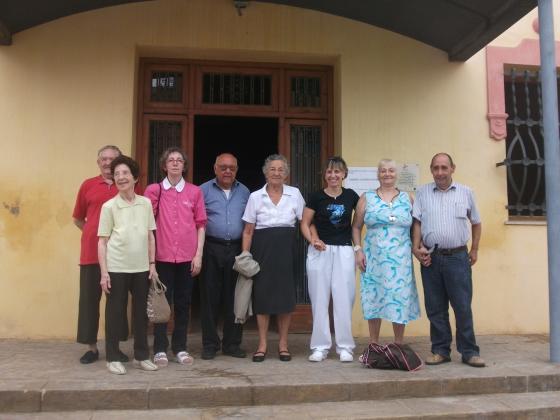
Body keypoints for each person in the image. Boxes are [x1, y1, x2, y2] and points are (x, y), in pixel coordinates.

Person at [412, 153, 484, 368]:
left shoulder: (466, 192)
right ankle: (440, 350)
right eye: (436, 168)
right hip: (431, 258)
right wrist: (416, 248)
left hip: (458, 258)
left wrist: (475, 249)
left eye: (444, 167)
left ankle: (469, 352)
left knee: (462, 306)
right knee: (435, 308)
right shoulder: (422, 193)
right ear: (431, 170)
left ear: (453, 168)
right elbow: (417, 223)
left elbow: (476, 223)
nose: (440, 172)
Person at [144, 147, 207, 367]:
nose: (175, 163)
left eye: (179, 160)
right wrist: (150, 261)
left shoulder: (194, 192)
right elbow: (147, 226)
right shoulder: (154, 190)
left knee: (183, 303)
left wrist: (198, 255)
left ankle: (180, 347)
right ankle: (160, 348)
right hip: (162, 257)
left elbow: (201, 225)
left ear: (184, 166)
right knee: (162, 305)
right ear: (164, 165)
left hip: (187, 258)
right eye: (171, 160)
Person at [241, 154, 305, 362]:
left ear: (286, 174)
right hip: (262, 249)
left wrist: (314, 240)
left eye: (281, 170)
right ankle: (262, 344)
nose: (277, 173)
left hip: (287, 248)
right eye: (273, 169)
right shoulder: (255, 196)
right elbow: (248, 230)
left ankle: (283, 344)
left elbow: (305, 222)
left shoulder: (295, 194)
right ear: (265, 173)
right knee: (263, 297)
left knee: (285, 297)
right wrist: (245, 256)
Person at [98, 155, 158, 375]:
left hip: (141, 268)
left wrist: (152, 264)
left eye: (125, 173)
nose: (121, 177)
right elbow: (102, 242)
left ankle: (141, 356)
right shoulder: (109, 206)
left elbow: (150, 236)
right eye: (116, 174)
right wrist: (104, 273)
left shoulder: (145, 203)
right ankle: (112, 357)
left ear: (135, 178)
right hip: (116, 267)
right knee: (115, 313)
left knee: (141, 314)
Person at [352, 159, 420, 345]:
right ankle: (374, 344)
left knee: (399, 299)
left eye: (391, 170)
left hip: (401, 261)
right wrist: (358, 250)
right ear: (378, 174)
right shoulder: (366, 198)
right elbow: (356, 227)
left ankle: (398, 344)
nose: (387, 174)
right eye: (383, 171)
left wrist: (416, 246)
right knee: (374, 298)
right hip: (373, 258)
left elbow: (417, 225)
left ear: (396, 174)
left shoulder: (408, 198)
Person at [73, 145, 129, 364]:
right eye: (103, 159)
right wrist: (95, 236)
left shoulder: (127, 185)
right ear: (98, 163)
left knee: (117, 302)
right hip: (91, 253)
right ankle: (91, 347)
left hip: (118, 255)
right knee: (89, 301)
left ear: (119, 161)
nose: (107, 162)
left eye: (111, 159)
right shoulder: (88, 185)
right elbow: (78, 218)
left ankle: (115, 347)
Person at [300, 156, 358, 363]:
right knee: (319, 299)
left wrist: (359, 248)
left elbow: (359, 223)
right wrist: (313, 240)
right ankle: (320, 347)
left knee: (344, 299)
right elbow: (305, 223)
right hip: (320, 251)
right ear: (325, 175)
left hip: (344, 250)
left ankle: (345, 347)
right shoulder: (316, 197)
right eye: (329, 172)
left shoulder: (351, 196)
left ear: (344, 174)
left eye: (337, 171)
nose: (333, 175)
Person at [199, 153, 250, 360]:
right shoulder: (202, 190)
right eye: (223, 167)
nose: (227, 171)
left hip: (236, 249)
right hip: (211, 247)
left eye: (232, 168)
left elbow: (250, 223)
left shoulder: (245, 191)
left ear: (236, 170)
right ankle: (210, 344)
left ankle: (232, 344)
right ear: (215, 169)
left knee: (235, 298)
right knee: (209, 297)